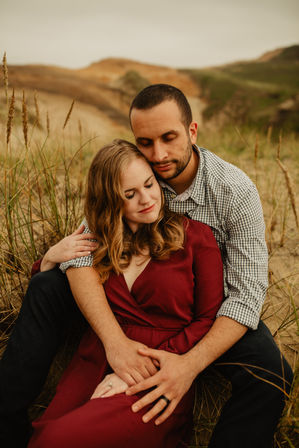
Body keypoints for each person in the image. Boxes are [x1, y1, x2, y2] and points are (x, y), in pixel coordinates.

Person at [0, 84, 293, 448]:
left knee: (271, 371)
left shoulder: (235, 191)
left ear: (192, 131)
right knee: (46, 285)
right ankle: (7, 422)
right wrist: (116, 344)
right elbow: (82, 253)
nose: (158, 154)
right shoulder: (136, 171)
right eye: (145, 142)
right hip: (127, 302)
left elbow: (246, 296)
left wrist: (185, 366)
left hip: (205, 311)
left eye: (169, 138)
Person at [28, 139, 223, 447]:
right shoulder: (98, 240)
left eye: (149, 184)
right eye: (129, 194)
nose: (146, 199)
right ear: (110, 201)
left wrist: (143, 371)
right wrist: (50, 258)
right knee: (43, 435)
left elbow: (209, 318)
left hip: (158, 371)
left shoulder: (196, 238)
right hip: (95, 359)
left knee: (60, 439)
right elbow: (49, 287)